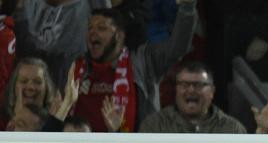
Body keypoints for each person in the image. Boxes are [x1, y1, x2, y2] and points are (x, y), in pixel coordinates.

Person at [69, 2, 197, 132]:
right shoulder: (78, 67)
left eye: (102, 28)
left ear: (119, 35)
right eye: (89, 28)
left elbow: (177, 48)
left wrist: (187, 9)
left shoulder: (143, 61)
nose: (93, 32)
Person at [139, 62, 247, 134]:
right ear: (176, 89)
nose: (191, 90)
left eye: (198, 85)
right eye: (184, 85)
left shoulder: (233, 129)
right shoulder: (154, 125)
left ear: (212, 91)